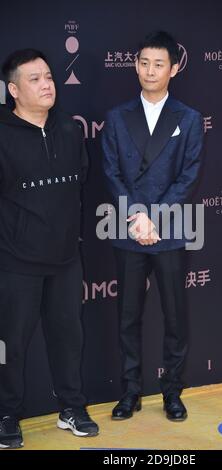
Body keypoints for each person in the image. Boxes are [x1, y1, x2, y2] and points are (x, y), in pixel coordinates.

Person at [102, 31, 204, 422]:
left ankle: (172, 393)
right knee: (128, 316)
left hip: (170, 228)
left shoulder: (189, 119)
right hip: (128, 227)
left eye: (159, 64)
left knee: (175, 316)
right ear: (135, 64)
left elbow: (188, 175)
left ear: (173, 69)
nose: (150, 70)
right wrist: (136, 218)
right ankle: (130, 393)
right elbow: (111, 172)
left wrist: (155, 218)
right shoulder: (116, 117)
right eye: (144, 62)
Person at [0, 49, 99, 449]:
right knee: (11, 344)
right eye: (35, 79)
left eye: (49, 77)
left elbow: (82, 182)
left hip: (65, 260)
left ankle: (71, 408)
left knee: (67, 338)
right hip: (15, 262)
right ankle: (7, 413)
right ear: (13, 90)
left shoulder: (70, 130)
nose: (46, 84)